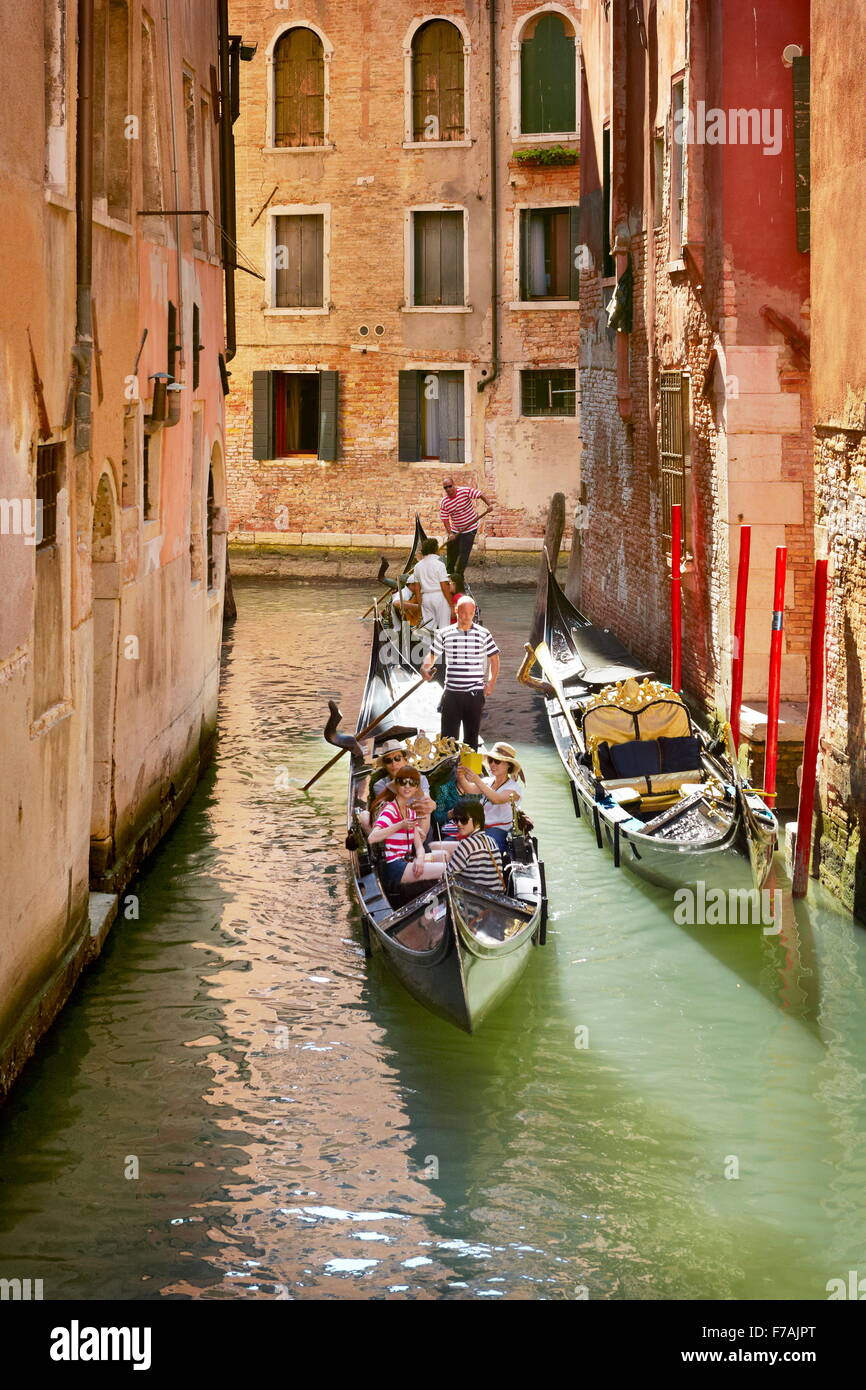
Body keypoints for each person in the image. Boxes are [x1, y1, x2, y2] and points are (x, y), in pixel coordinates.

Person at [420, 595, 499, 752]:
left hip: (474, 694)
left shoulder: (484, 633)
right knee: (448, 739)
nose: (466, 617)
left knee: (471, 738)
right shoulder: (444, 633)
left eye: (470, 613)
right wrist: (424, 668)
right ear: (456, 611)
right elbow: (432, 655)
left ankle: (469, 773)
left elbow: (495, 660)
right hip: (452, 694)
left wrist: (491, 682)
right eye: (463, 613)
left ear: (474, 612)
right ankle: (450, 771)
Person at [368, 765, 445, 900]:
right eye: (403, 782)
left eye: (412, 783)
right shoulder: (390, 810)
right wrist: (400, 825)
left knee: (444, 856)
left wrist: (420, 859)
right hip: (394, 866)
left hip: (407, 860)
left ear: (416, 787)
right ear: (396, 785)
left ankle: (435, 906)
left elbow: (419, 845)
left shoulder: (410, 812)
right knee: (445, 869)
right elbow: (372, 838)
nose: (407, 786)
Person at [457, 741, 524, 852]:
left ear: (508, 764)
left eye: (497, 761)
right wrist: (460, 776)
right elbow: (469, 789)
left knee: (482, 848)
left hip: (498, 829)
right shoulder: (487, 781)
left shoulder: (514, 788)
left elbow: (496, 799)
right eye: (490, 760)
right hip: (479, 827)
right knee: (452, 840)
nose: (492, 764)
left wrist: (477, 780)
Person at [435, 799, 508, 894]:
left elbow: (446, 878)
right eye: (456, 820)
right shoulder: (491, 841)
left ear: (477, 820)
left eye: (464, 820)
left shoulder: (466, 844)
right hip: (494, 900)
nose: (459, 824)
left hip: (475, 903)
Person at [439, 478, 492, 586]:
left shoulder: (464, 491)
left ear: (454, 485)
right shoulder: (444, 502)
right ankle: (449, 574)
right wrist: (450, 534)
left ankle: (458, 577)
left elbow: (480, 493)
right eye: (446, 488)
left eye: (450, 486)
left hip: (470, 528)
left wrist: (489, 504)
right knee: (452, 552)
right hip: (455, 529)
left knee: (464, 553)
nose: (448, 489)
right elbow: (445, 519)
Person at [411, 538, 454, 632]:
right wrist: (451, 605)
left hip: (425, 598)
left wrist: (420, 603)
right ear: (435, 549)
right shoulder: (439, 565)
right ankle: (443, 645)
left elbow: (417, 588)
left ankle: (429, 646)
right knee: (444, 628)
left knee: (428, 628)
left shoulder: (417, 566)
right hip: (439, 597)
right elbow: (444, 586)